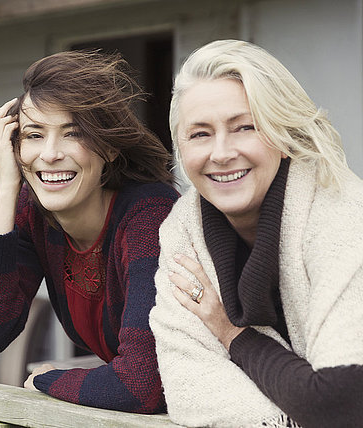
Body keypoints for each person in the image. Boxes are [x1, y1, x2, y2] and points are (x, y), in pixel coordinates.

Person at [149, 39, 363, 427]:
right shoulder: (181, 234)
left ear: (284, 137)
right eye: (199, 134)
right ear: (180, 148)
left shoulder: (342, 214)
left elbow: (340, 404)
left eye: (244, 127)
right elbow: (193, 391)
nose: (221, 152)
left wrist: (233, 335)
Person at [0, 50, 178, 413]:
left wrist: (47, 378)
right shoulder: (33, 214)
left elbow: (141, 386)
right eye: (33, 135)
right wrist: (7, 189)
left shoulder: (149, 216)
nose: (50, 154)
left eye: (72, 133)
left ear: (107, 146)